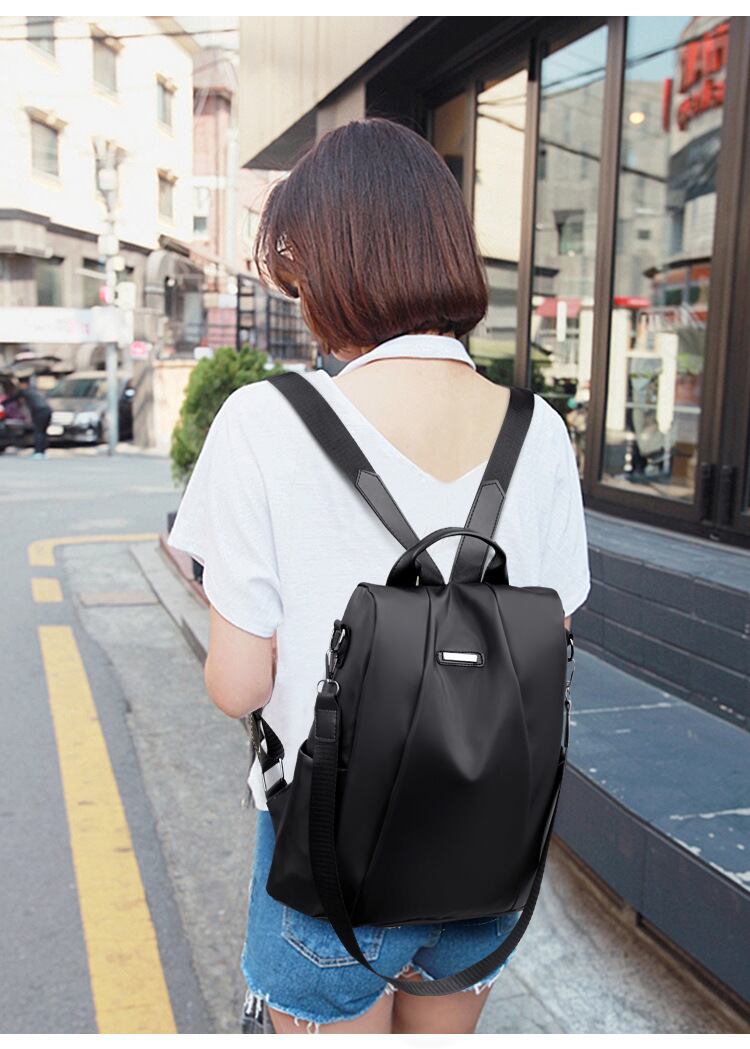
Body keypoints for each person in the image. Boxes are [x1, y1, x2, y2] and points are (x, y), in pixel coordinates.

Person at [168, 117, 590, 1035]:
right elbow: (547, 638)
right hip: (486, 847)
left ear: (331, 265)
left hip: (332, 862)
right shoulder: (539, 432)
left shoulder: (263, 420)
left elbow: (238, 684)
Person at [11, 376, 52, 458]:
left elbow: (13, 399)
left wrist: (3, 402)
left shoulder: (24, 391)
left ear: (23, 384)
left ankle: (38, 452)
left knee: (38, 432)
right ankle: (42, 451)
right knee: (43, 432)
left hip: (40, 412)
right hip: (47, 410)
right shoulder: (34, 390)